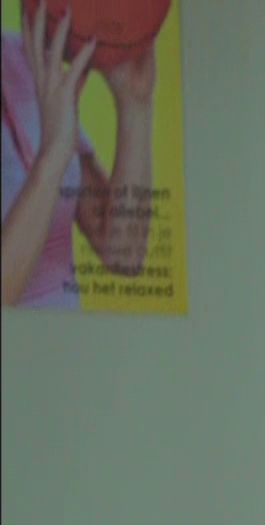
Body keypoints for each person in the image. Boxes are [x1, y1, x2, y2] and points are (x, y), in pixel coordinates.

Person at [2, 4, 156, 308]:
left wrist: (135, 103)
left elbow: (123, 255)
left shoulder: (25, 59)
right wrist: (53, 154)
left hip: (67, 338)